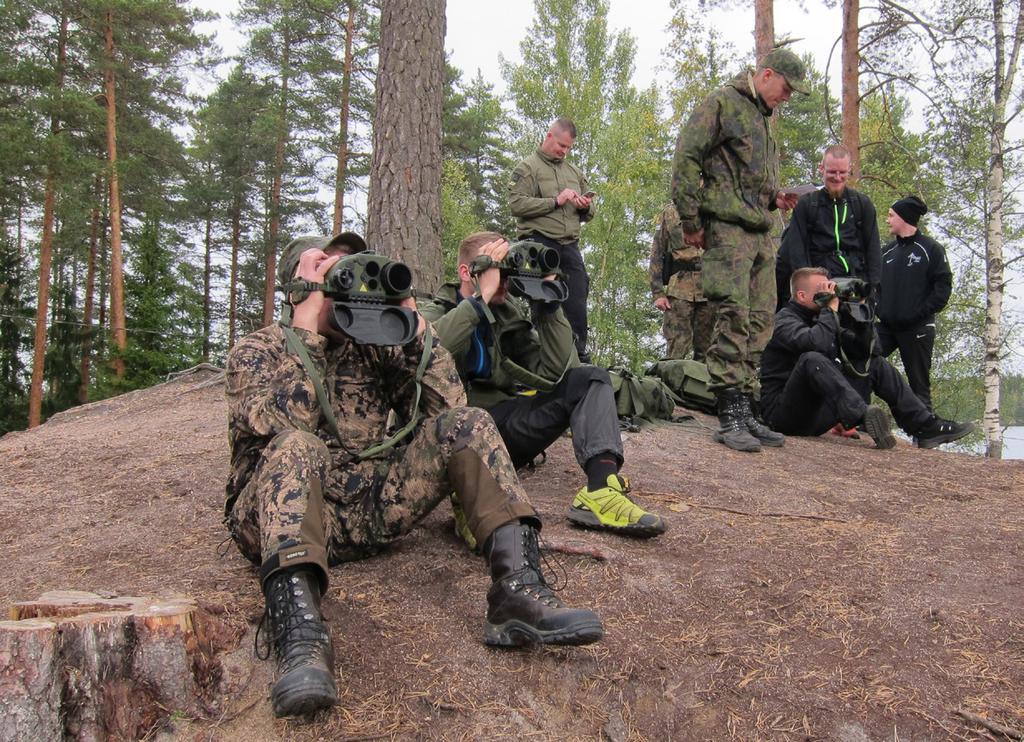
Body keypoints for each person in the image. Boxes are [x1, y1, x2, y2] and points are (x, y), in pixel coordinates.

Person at [225, 233, 604, 718]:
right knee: (300, 445)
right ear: (295, 285)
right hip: (278, 519)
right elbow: (284, 427)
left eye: (350, 267)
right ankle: (299, 636)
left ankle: (518, 591)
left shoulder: (374, 350)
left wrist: (415, 331)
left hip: (364, 510)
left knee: (470, 424)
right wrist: (308, 331)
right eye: (326, 267)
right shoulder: (258, 350)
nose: (344, 276)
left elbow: (448, 416)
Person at [419, 231, 667, 539]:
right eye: (494, 268)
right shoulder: (432, 311)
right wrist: (478, 301)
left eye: (505, 271)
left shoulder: (507, 315)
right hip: (452, 440)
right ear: (466, 272)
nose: (503, 280)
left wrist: (547, 303)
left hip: (501, 429)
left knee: (590, 379)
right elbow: (424, 354)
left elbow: (561, 371)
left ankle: (601, 490)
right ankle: (473, 496)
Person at [672, 46, 808, 453]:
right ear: (767, 74)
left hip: (760, 230)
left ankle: (748, 406)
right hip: (727, 229)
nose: (786, 97)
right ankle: (728, 410)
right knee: (732, 313)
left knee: (761, 318)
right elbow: (686, 157)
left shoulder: (762, 117)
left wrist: (775, 196)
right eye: (785, 88)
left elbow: (748, 178)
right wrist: (691, 220)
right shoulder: (722, 102)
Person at [759, 267, 973, 449]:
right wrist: (829, 311)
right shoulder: (783, 321)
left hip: (815, 416)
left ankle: (924, 425)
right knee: (811, 359)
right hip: (783, 416)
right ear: (801, 296)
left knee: (876, 365)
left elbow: (872, 351)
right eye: (822, 291)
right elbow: (817, 345)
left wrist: (858, 310)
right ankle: (864, 417)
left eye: (831, 288)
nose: (830, 294)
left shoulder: (827, 315)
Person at [508, 118, 594, 362]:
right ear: (549, 136)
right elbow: (516, 204)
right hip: (539, 243)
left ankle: (578, 356)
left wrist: (584, 206)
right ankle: (546, 355)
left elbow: (591, 213)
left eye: (568, 148)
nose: (564, 151)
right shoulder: (528, 168)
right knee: (545, 300)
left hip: (569, 245)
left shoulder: (574, 172)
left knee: (577, 295)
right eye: (561, 145)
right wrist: (555, 201)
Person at [776, 144, 881, 308]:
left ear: (849, 170)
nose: (837, 178)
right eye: (832, 172)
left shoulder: (862, 204)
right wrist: (810, 290)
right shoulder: (807, 205)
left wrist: (870, 291)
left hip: (854, 288)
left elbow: (874, 251)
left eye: (842, 172)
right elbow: (796, 251)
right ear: (821, 169)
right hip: (819, 288)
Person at [876, 196, 952, 412]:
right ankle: (858, 418)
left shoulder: (931, 249)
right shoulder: (886, 252)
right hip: (887, 327)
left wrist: (918, 313)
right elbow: (875, 288)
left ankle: (925, 435)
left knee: (919, 384)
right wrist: (879, 309)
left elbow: (943, 288)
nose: (888, 220)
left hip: (917, 328)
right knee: (863, 360)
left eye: (891, 215)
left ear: (904, 218)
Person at [649, 203, 715, 361]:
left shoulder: (720, 207)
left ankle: (702, 386)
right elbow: (657, 251)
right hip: (679, 288)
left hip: (712, 288)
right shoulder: (671, 211)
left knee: (709, 352)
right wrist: (657, 292)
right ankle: (671, 385)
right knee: (677, 348)